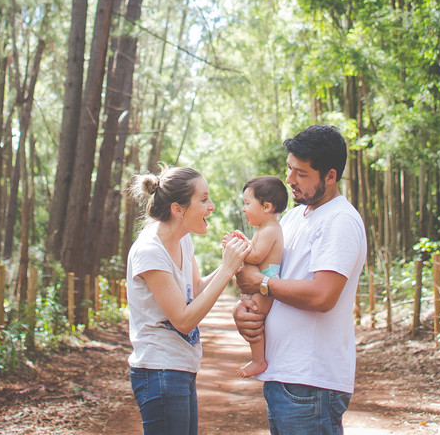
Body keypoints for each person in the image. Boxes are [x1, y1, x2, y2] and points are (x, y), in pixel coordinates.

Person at [233, 124, 367, 435]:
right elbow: (272, 278)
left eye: (301, 174)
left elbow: (322, 296)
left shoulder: (340, 221)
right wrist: (245, 313)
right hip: (285, 376)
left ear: (330, 176)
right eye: (289, 169)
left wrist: (261, 284)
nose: (290, 180)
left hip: (311, 382)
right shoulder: (292, 217)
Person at [125, 163, 252, 435]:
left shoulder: (183, 240)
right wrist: (227, 270)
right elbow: (183, 320)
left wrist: (232, 261)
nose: (212, 206)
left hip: (180, 366)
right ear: (178, 209)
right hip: (159, 370)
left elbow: (195, 289)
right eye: (203, 199)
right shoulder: (149, 251)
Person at [235, 175, 288, 378]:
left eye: (247, 203)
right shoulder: (264, 228)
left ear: (266, 207)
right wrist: (244, 241)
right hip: (262, 279)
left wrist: (238, 249)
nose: (244, 208)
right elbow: (255, 250)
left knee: (254, 316)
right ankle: (258, 359)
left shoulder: (271, 229)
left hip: (267, 278)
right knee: (251, 314)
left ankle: (259, 360)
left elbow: (256, 255)